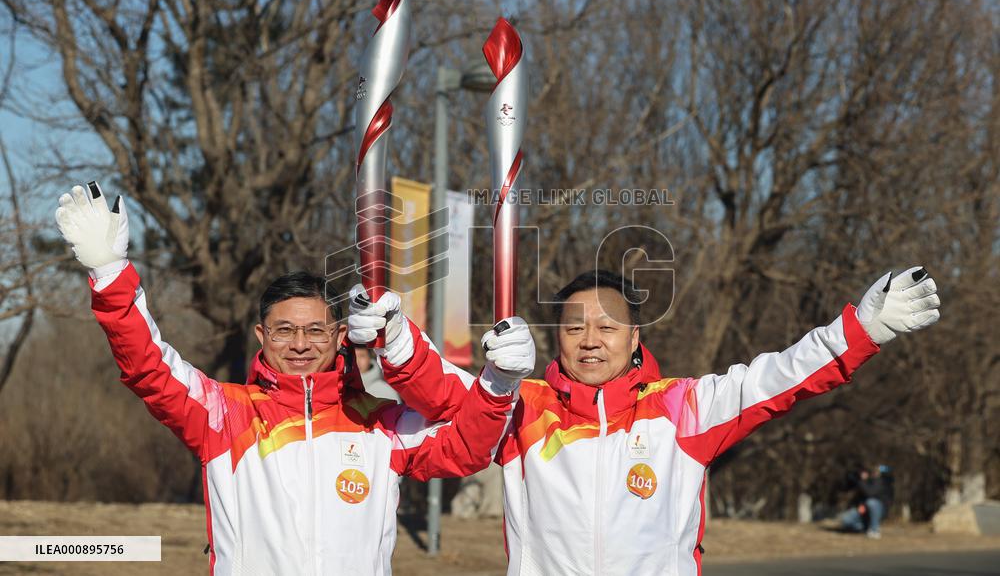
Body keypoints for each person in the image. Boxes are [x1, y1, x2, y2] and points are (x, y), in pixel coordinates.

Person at [54, 182, 532, 575]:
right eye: (284, 331)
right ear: (262, 336)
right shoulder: (225, 414)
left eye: (315, 331)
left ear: (339, 336)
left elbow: (466, 448)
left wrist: (498, 383)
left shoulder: (379, 424)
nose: (300, 344)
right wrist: (110, 273)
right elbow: (149, 368)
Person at [349, 267, 940, 575]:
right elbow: (447, 393)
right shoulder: (522, 406)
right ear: (557, 336)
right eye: (575, 327)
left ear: (634, 339)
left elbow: (779, 376)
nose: (590, 340)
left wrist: (860, 330)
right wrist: (396, 339)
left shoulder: (683, 408)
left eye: (607, 328)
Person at [840, 464, 895, 538]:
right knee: (846, 520)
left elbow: (870, 493)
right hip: (864, 509)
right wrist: (860, 505)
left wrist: (862, 481)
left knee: (871, 502)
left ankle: (874, 530)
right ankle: (864, 528)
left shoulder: (880, 482)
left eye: (864, 472)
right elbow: (856, 496)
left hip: (879, 510)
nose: (862, 474)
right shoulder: (863, 482)